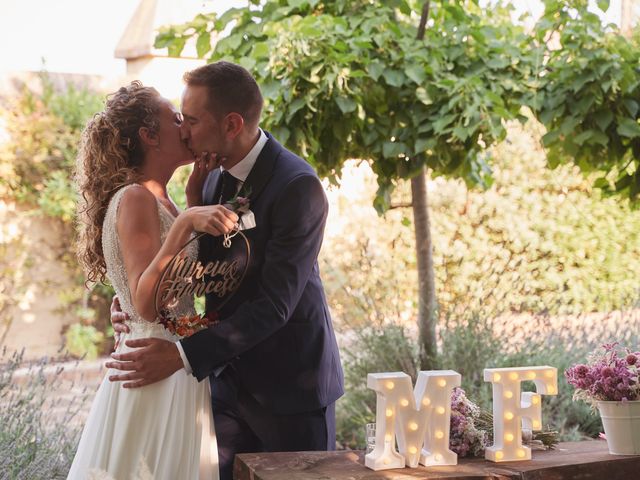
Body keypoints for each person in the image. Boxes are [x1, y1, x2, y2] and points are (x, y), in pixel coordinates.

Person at [107, 62, 344, 480]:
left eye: (192, 120)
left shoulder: (297, 186)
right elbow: (205, 274)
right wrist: (131, 295)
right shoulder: (211, 181)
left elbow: (274, 305)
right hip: (222, 390)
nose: (184, 131)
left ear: (232, 124)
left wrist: (180, 356)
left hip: (290, 390)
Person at [69, 81, 238, 479]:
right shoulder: (135, 198)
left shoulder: (163, 198)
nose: (185, 126)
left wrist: (193, 201)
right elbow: (145, 304)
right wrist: (184, 224)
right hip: (154, 361)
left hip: (175, 361)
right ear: (149, 135)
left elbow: (174, 282)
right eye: (175, 118)